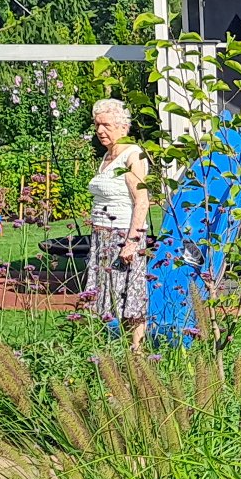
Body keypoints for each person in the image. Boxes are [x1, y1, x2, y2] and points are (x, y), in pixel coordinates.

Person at [87, 98, 152, 349]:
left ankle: (137, 353)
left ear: (123, 127)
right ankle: (119, 350)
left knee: (131, 296)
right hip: (101, 234)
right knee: (108, 295)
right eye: (97, 125)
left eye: (106, 125)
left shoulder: (132, 155)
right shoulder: (106, 155)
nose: (100, 131)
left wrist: (132, 242)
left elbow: (142, 201)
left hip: (122, 234)